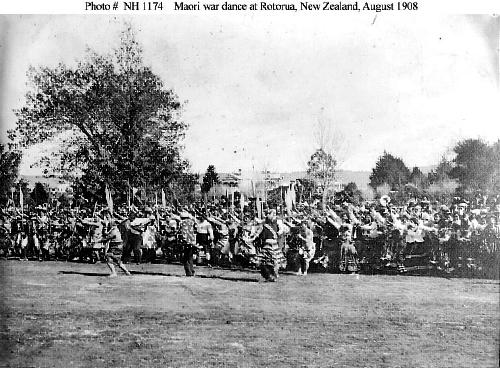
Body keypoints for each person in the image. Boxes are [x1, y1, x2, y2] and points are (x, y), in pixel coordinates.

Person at [99, 213, 131, 277]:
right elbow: (106, 233)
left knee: (108, 257)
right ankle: (126, 271)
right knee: (117, 260)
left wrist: (99, 241)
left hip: (116, 245)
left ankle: (114, 273)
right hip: (117, 245)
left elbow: (107, 237)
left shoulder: (114, 230)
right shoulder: (113, 229)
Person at [178, 211, 197, 276]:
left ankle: (188, 272)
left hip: (185, 241)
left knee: (185, 257)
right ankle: (192, 271)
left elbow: (180, 232)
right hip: (192, 241)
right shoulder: (191, 222)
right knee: (190, 257)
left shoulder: (181, 223)